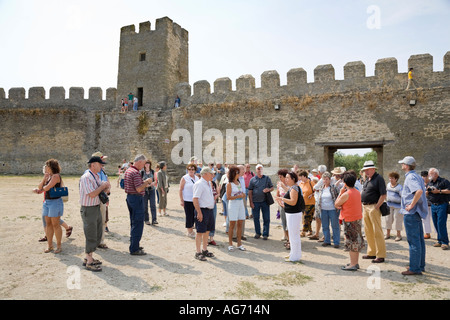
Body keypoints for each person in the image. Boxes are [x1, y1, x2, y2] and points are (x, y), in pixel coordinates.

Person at [79, 156, 111, 271]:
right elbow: (92, 194)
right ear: (93, 165)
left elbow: (99, 190)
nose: (102, 166)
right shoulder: (87, 177)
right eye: (100, 164)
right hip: (89, 208)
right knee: (91, 233)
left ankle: (89, 257)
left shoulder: (95, 176)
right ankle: (89, 260)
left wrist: (106, 188)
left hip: (95, 207)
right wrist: (103, 186)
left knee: (96, 233)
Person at [398, 156, 428, 275]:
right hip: (415, 213)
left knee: (413, 241)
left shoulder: (410, 177)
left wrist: (411, 205)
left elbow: (419, 191)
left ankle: (415, 268)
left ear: (406, 165)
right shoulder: (416, 176)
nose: (402, 165)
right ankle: (419, 265)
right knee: (419, 240)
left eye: (403, 163)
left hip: (411, 213)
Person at [33, 159, 64, 253]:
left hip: (55, 202)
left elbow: (47, 187)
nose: (45, 167)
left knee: (56, 224)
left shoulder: (56, 176)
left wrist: (40, 190)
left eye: (47, 166)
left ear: (51, 167)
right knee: (48, 224)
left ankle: (59, 246)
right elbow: (40, 186)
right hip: (47, 202)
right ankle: (50, 245)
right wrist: (44, 179)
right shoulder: (49, 176)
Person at [335, 172, 364, 271]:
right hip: (357, 219)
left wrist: (340, 192)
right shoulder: (357, 192)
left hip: (349, 220)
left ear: (345, 183)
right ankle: (355, 262)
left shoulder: (346, 194)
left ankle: (353, 264)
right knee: (356, 241)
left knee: (351, 242)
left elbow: (336, 204)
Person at [124, 154, 153, 255]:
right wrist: (147, 182)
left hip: (130, 197)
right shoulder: (135, 172)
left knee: (134, 222)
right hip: (136, 198)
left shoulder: (128, 170)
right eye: (144, 163)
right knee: (138, 223)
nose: (144, 166)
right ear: (140, 162)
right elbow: (139, 188)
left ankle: (134, 244)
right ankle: (134, 248)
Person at [360, 160, 387, 263]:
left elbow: (383, 194)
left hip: (374, 206)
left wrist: (376, 207)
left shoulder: (379, 179)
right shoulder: (368, 179)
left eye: (367, 170)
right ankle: (371, 252)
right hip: (366, 206)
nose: (365, 172)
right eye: (365, 170)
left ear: (373, 169)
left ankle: (380, 255)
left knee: (377, 231)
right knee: (368, 231)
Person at [275, 171, 304, 262]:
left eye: (288, 178)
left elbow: (293, 202)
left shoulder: (294, 188)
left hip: (293, 214)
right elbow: (290, 193)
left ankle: (294, 257)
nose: (286, 179)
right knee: (293, 235)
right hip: (292, 213)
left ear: (293, 179)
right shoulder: (293, 188)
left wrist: (282, 199)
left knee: (293, 235)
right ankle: (294, 254)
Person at [192, 167, 216, 261]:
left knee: (207, 231)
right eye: (211, 174)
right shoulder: (199, 184)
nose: (212, 175)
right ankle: (198, 252)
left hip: (209, 210)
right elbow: (195, 198)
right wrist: (199, 212)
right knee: (200, 232)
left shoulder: (208, 183)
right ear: (205, 174)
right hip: (203, 210)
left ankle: (204, 249)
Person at [248, 164, 274, 240]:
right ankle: (257, 233)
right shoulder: (252, 180)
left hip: (265, 202)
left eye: (261, 169)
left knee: (266, 218)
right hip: (255, 202)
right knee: (256, 218)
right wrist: (251, 202)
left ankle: (265, 234)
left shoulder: (267, 178)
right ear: (256, 170)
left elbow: (272, 187)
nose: (259, 170)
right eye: (258, 169)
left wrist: (268, 190)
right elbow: (250, 191)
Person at [90, 151, 110, 248]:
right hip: (94, 201)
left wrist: (107, 191)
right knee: (94, 222)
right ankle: (94, 241)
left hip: (102, 199)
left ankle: (101, 241)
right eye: (102, 159)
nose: (103, 161)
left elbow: (107, 184)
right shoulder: (89, 174)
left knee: (102, 221)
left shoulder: (102, 172)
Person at [315, 172, 340, 248]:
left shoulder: (334, 187)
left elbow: (338, 197)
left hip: (332, 209)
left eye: (327, 179)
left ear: (329, 180)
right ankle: (327, 240)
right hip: (323, 209)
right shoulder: (321, 188)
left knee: (335, 226)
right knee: (325, 226)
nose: (325, 181)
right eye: (324, 179)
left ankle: (336, 242)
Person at [427, 168, 450, 250]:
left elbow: (449, 191)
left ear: (436, 174)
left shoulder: (444, 181)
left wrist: (439, 191)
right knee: (436, 223)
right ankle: (440, 240)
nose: (429, 175)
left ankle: (445, 242)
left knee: (441, 223)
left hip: (442, 205)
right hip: (433, 205)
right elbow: (428, 193)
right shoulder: (430, 182)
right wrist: (427, 191)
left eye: (430, 173)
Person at [226, 166, 246, 251]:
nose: (239, 173)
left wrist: (243, 195)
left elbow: (242, 193)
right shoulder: (229, 184)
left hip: (240, 204)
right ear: (233, 174)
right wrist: (237, 196)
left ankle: (239, 243)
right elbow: (228, 197)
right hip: (233, 205)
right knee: (232, 224)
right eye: (237, 172)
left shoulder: (239, 183)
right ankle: (230, 243)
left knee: (240, 223)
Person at [180, 163, 199, 238]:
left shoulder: (197, 178)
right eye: (189, 169)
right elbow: (181, 189)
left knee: (195, 215)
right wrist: (181, 200)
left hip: (196, 199)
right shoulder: (185, 178)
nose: (191, 170)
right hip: (187, 200)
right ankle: (189, 231)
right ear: (187, 170)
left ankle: (193, 227)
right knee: (189, 215)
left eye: (192, 169)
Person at [385, 172, 403, 241]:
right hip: (389, 205)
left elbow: (403, 197)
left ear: (396, 179)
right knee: (388, 219)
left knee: (398, 220)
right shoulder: (388, 185)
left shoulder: (400, 187)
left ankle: (398, 235)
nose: (390, 179)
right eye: (390, 178)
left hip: (398, 206)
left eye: (392, 178)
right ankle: (388, 234)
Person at [298, 170, 316, 238]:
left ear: (305, 176)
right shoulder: (300, 184)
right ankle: (310, 230)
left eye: (301, 177)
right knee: (307, 218)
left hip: (311, 203)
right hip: (303, 204)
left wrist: (312, 194)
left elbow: (316, 191)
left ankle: (303, 231)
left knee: (306, 216)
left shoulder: (311, 183)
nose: (300, 178)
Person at [141, 160, 157, 225]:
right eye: (146, 163)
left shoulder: (153, 172)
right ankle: (146, 219)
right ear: (144, 165)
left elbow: (156, 180)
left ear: (150, 164)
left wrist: (153, 183)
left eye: (148, 163)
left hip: (152, 190)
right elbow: (140, 181)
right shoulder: (141, 172)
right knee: (145, 206)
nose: (147, 165)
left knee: (153, 205)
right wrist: (145, 184)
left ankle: (154, 219)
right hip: (144, 191)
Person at [276, 169, 289, 245]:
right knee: (283, 221)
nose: (280, 178)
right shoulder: (278, 185)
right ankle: (285, 235)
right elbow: (277, 195)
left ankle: (289, 236)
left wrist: (284, 187)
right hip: (281, 206)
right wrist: (280, 203)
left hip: (289, 205)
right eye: (279, 177)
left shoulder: (289, 185)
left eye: (281, 177)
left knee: (289, 222)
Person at [420, 171, 432, 239]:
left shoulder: (432, 183)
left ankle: (439, 234)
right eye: (423, 176)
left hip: (432, 203)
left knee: (435, 220)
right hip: (424, 204)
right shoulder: (421, 184)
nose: (424, 178)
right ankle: (427, 233)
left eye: (425, 176)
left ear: (428, 176)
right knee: (425, 219)